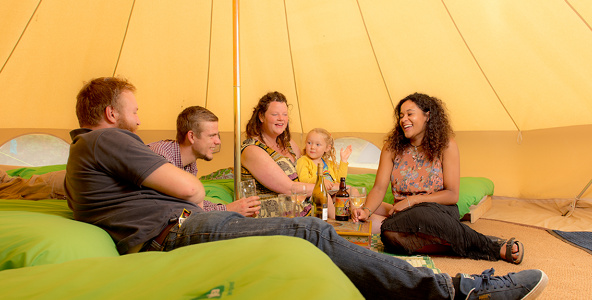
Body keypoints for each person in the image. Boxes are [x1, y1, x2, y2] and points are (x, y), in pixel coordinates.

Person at [65, 78, 548, 300]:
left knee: (318, 235)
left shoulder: (82, 156)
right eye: (132, 110)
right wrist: (197, 197)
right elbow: (186, 190)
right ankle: (458, 291)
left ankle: (443, 280)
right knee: (312, 235)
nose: (139, 119)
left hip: (182, 225)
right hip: (180, 228)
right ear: (110, 114)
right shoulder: (109, 140)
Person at [352, 92, 524, 264]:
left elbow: (452, 195)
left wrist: (412, 201)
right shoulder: (391, 148)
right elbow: (379, 188)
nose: (404, 119)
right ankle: (460, 243)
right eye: (401, 116)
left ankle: (491, 246)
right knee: (389, 235)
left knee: (411, 216)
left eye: (410, 114)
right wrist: (366, 211)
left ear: (427, 116)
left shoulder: (446, 145)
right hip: (402, 216)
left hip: (438, 211)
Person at [148, 106, 259, 217]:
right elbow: (179, 215)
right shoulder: (161, 158)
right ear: (191, 136)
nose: (218, 141)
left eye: (217, 135)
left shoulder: (189, 164)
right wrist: (227, 209)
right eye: (212, 136)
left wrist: (231, 207)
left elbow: (194, 206)